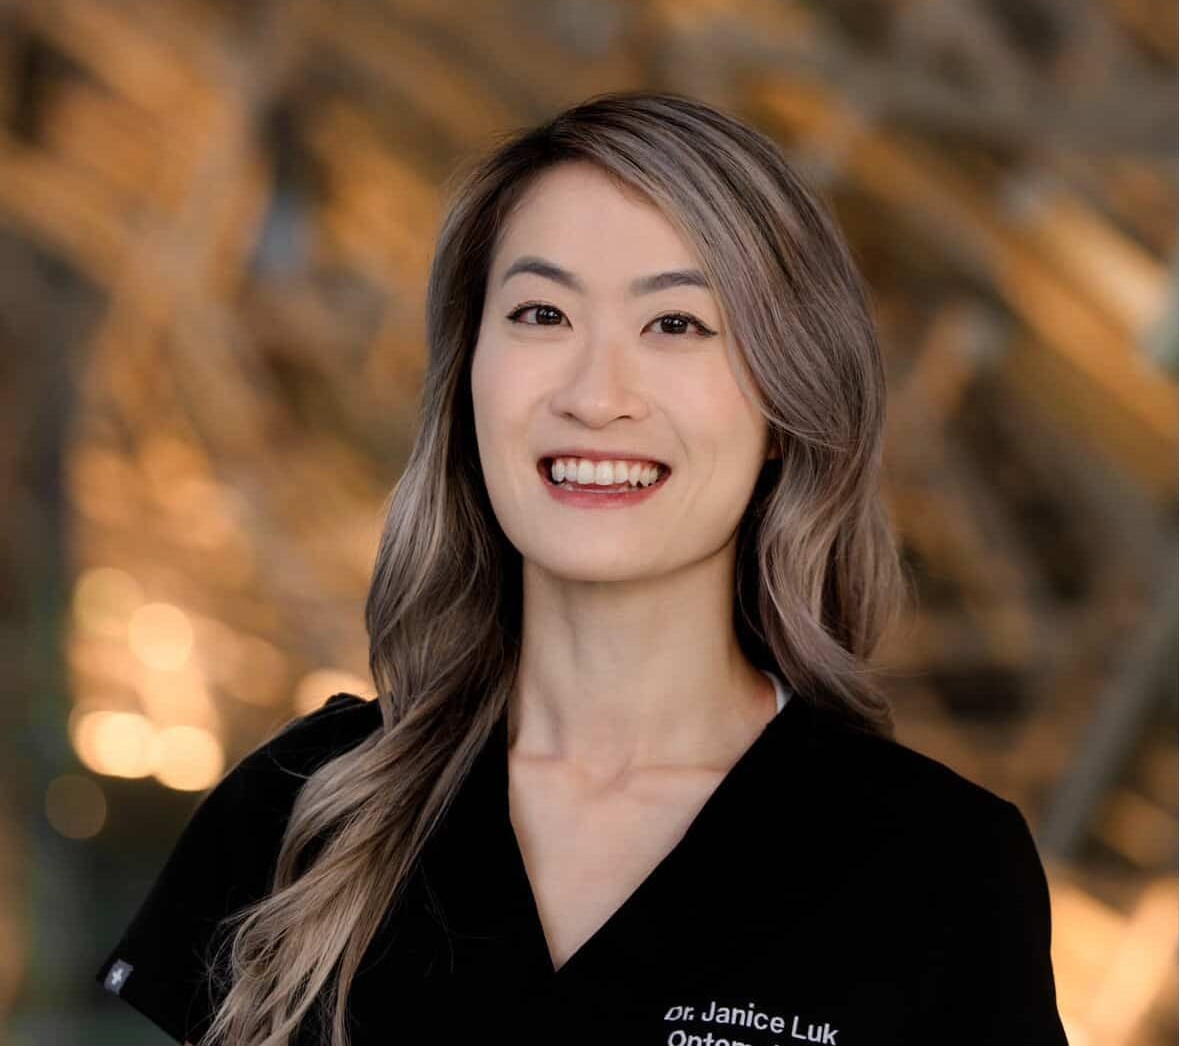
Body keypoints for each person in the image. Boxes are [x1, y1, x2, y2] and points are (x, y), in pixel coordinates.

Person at [96, 91, 1069, 1045]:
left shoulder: (937, 868)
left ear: (786, 404)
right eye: (541, 314)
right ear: (467, 377)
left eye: (676, 324)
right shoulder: (300, 811)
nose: (596, 396)